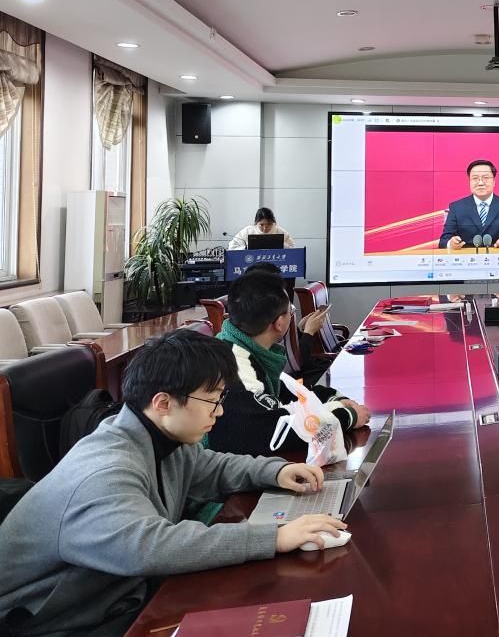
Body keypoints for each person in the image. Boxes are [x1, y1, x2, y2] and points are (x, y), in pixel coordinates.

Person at [0, 330, 345, 636]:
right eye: (212, 400)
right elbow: (149, 547)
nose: (219, 411)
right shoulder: (104, 471)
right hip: (55, 621)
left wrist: (275, 472)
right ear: (163, 402)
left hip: (111, 596)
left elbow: (210, 468)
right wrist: (275, 537)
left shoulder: (155, 436)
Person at [205, 272, 369, 457]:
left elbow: (288, 392)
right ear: (280, 323)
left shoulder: (243, 347)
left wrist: (332, 398)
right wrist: (346, 416)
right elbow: (270, 432)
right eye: (291, 310)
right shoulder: (235, 365)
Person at [440, 159, 499, 249]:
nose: (480, 183)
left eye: (486, 178)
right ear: (469, 182)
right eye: (475, 178)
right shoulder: (456, 208)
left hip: (497, 256)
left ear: (494, 181)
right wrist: (450, 244)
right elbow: (443, 241)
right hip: (467, 257)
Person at [227, 206, 296, 250]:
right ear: (256, 222)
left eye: (269, 224)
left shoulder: (280, 231)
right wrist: (245, 248)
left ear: (273, 222)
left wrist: (281, 245)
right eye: (261, 225)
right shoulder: (247, 231)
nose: (265, 228)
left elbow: (293, 249)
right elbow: (232, 247)